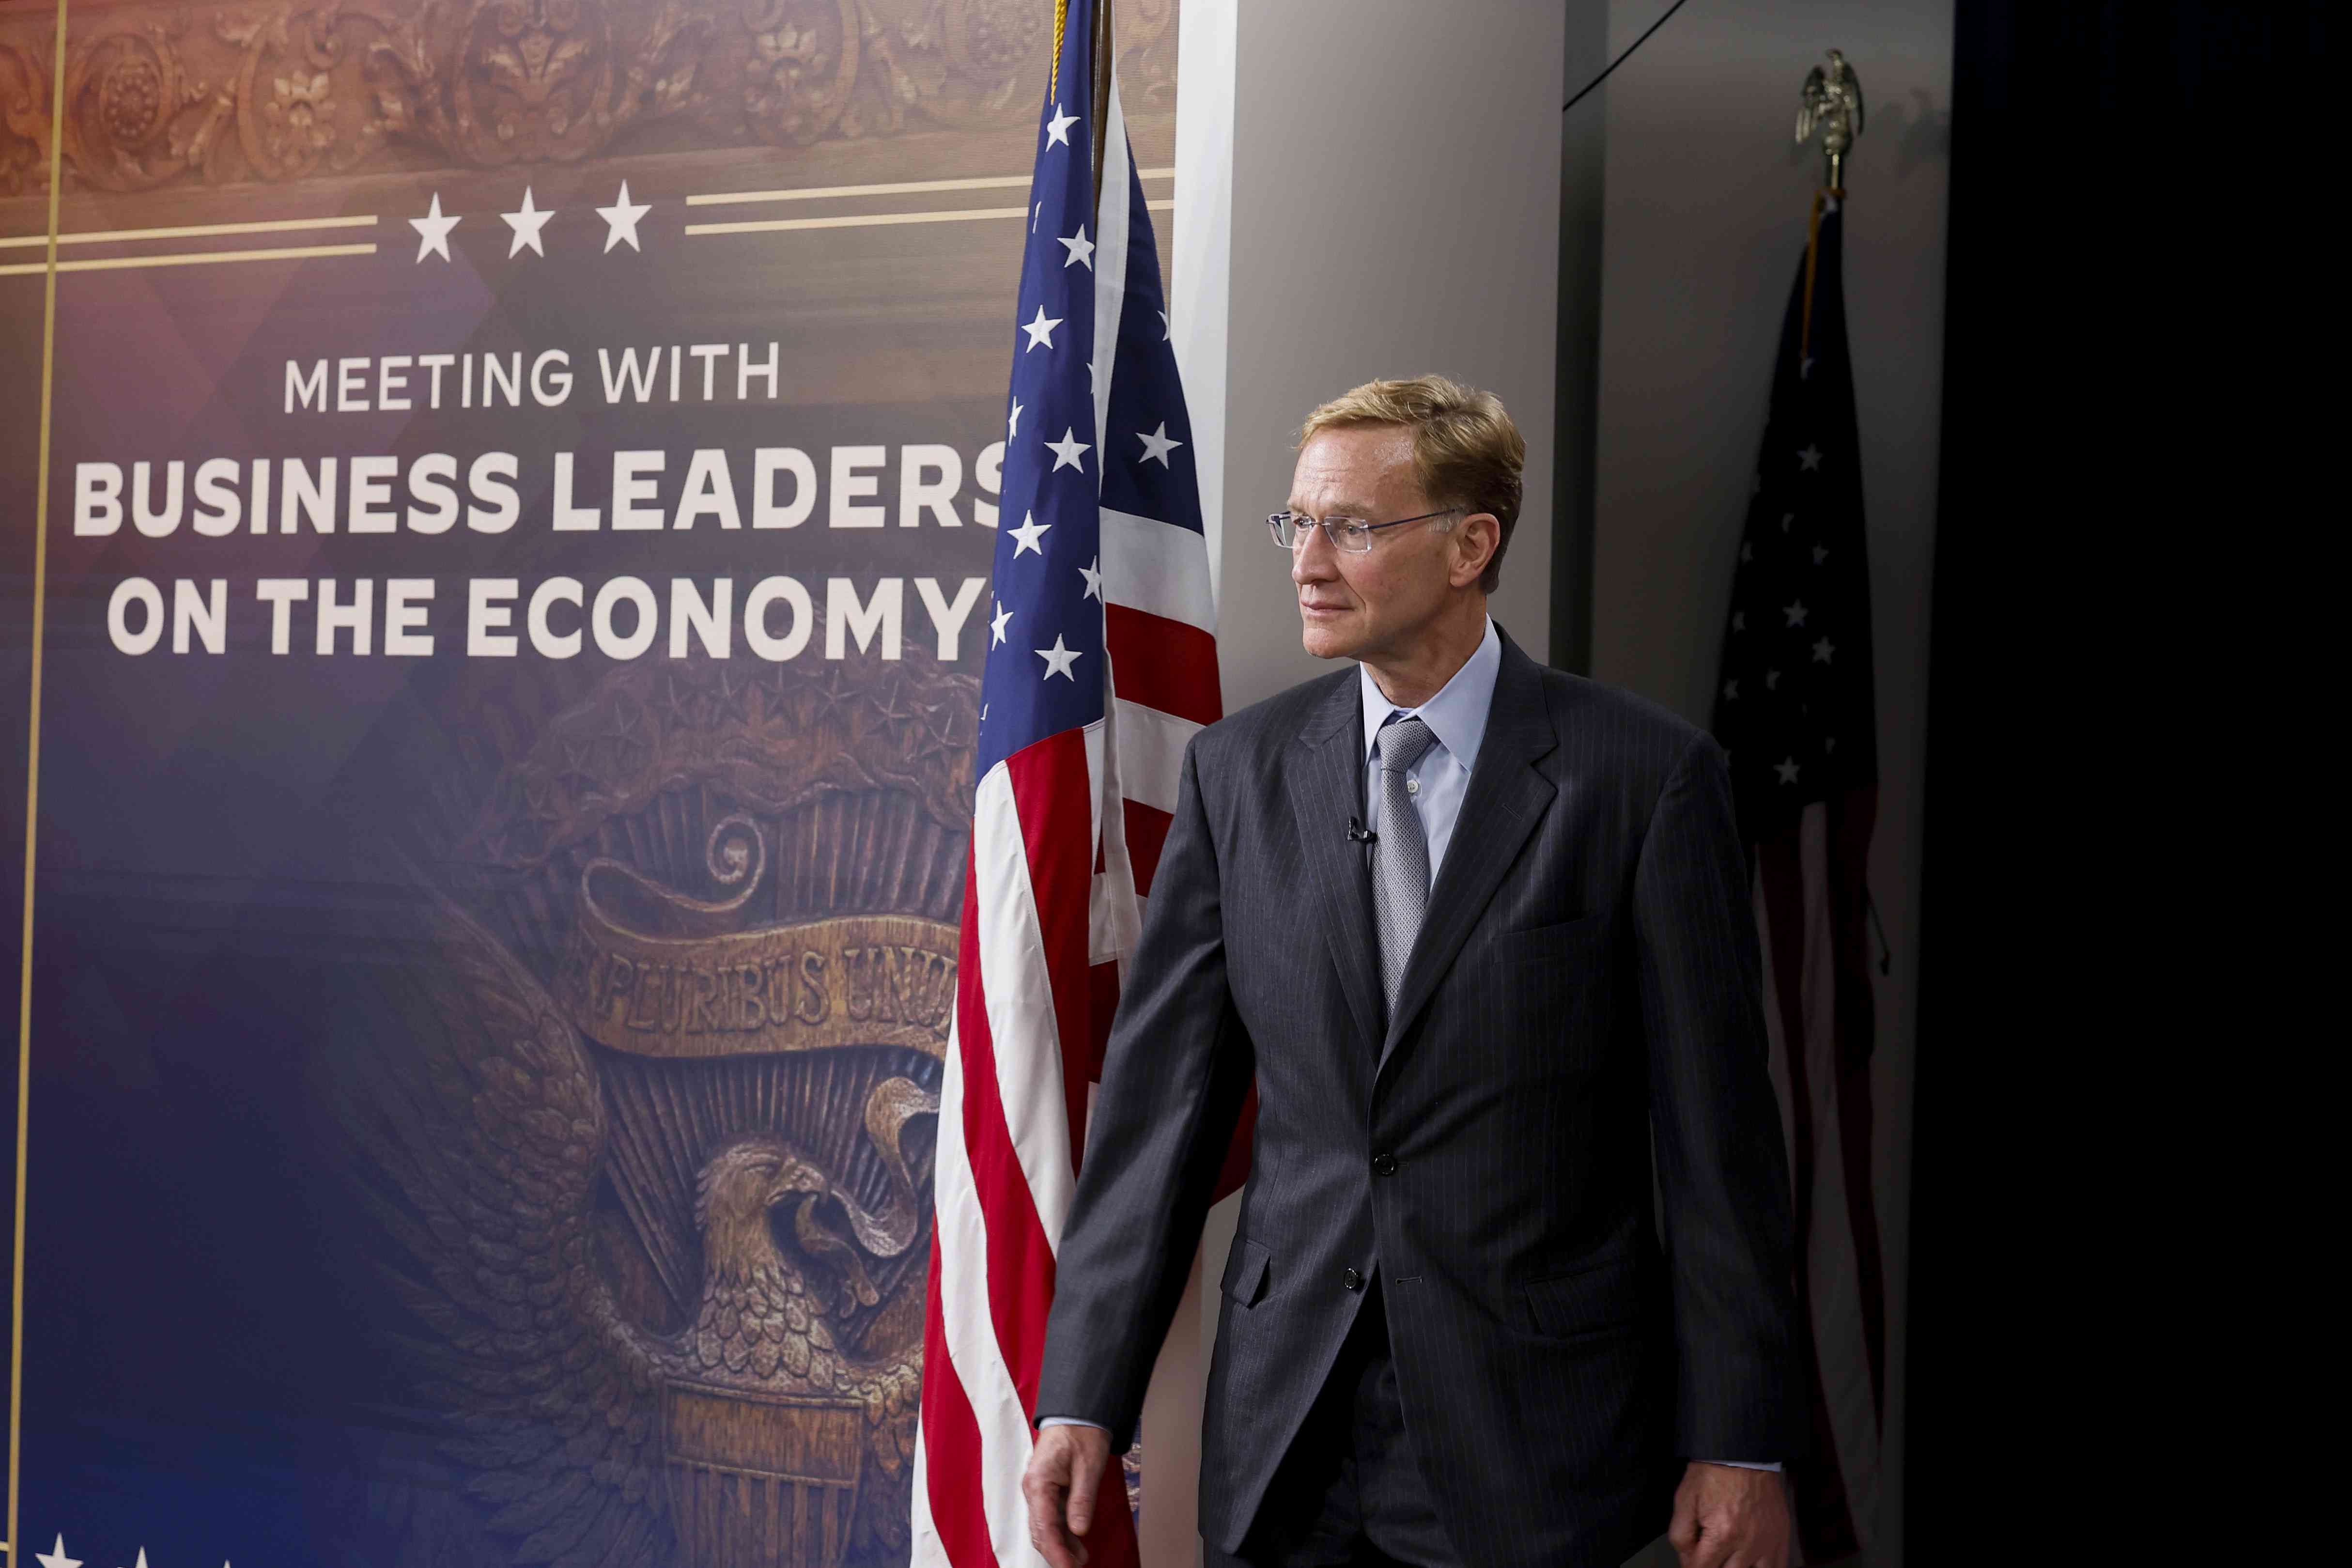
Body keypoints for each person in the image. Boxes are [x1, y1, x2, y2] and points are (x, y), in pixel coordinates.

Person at [1022, 376, 1798, 1568]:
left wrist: (1739, 1438)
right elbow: (1156, 1124)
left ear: (1469, 545)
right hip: (1287, 1439)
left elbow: (1718, 1153)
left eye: (1353, 525)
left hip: (1533, 1444)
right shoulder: (1241, 775)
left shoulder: (1644, 780)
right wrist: (1081, 1393)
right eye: (1297, 523)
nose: (1308, 560)